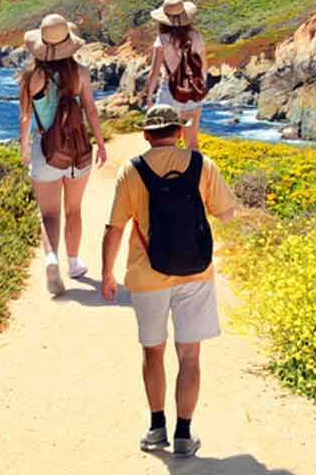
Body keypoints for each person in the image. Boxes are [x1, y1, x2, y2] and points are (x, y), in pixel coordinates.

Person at [101, 105, 237, 458]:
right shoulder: (202, 165)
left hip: (148, 278)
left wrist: (106, 275)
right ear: (178, 132)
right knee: (189, 356)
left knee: (153, 352)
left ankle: (156, 427)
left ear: (146, 135)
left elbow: (114, 228)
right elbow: (225, 213)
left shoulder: (131, 171)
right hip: (196, 274)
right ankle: (184, 434)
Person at [19, 13, 109, 295]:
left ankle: (51, 258)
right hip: (77, 151)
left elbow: (24, 117)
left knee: (49, 214)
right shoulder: (81, 72)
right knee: (73, 210)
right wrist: (102, 144)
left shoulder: (32, 76)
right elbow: (91, 110)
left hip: (45, 151)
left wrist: (24, 146)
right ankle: (73, 263)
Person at [142, 0, 208, 150]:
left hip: (169, 94)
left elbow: (154, 72)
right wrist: (198, 88)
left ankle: (167, 172)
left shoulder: (162, 40)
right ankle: (193, 173)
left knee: (163, 144)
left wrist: (149, 97)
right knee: (192, 143)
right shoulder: (196, 36)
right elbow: (204, 67)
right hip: (192, 92)